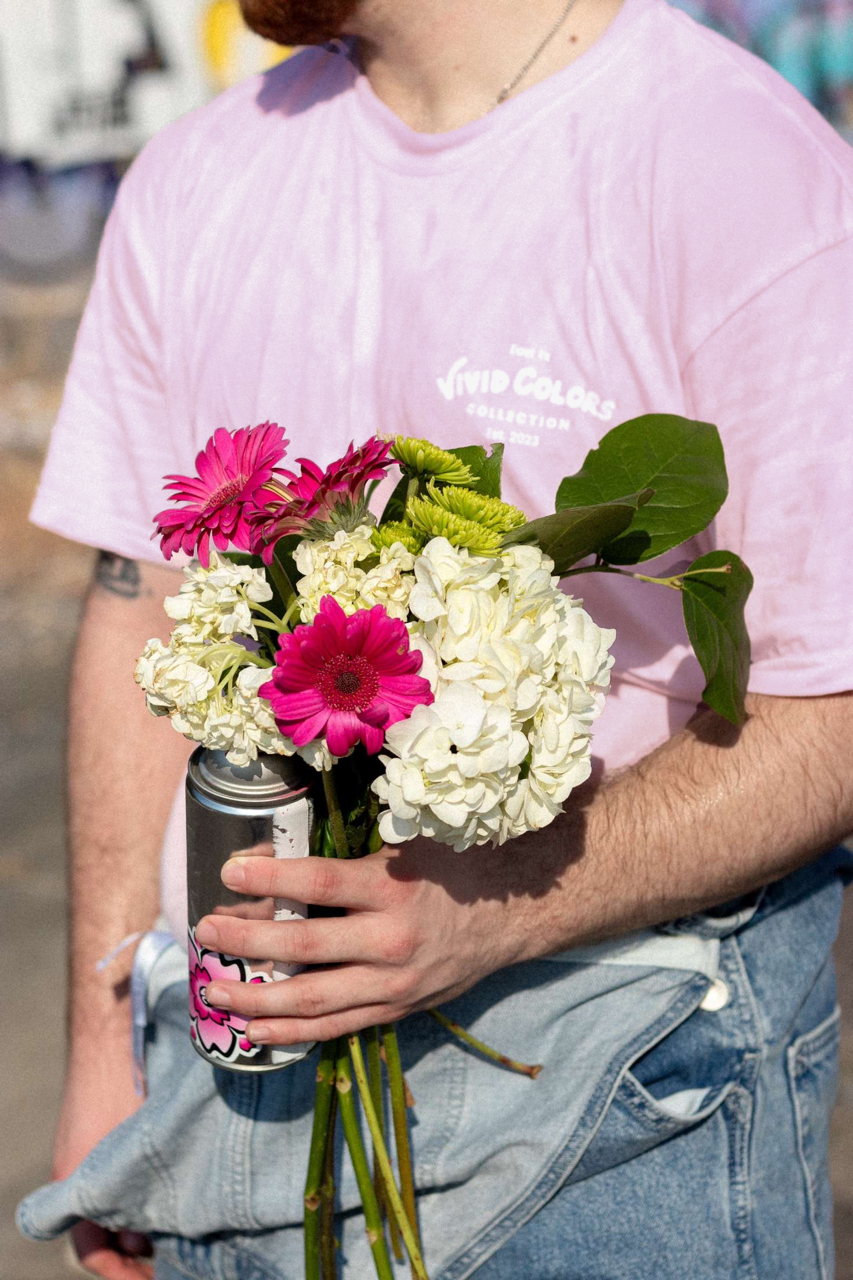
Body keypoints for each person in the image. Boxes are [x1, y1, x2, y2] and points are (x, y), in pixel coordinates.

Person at [16, 0, 853, 1277]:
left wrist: (504, 905)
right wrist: (106, 1047)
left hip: (609, 1122)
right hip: (224, 1115)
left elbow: (830, 708)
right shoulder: (197, 174)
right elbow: (141, 608)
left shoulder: (739, 171)